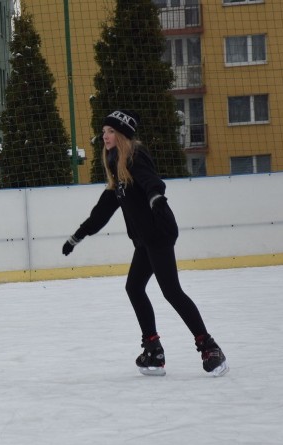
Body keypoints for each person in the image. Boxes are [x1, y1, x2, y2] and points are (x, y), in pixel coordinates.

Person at [62, 110, 228, 377]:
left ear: (122, 135)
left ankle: (210, 348)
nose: (104, 136)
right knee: (134, 287)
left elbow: (152, 182)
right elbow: (103, 210)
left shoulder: (135, 157)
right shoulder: (116, 166)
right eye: (104, 131)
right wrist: (78, 235)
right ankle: (153, 350)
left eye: (110, 131)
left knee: (171, 291)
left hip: (159, 232)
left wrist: (155, 199)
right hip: (144, 239)